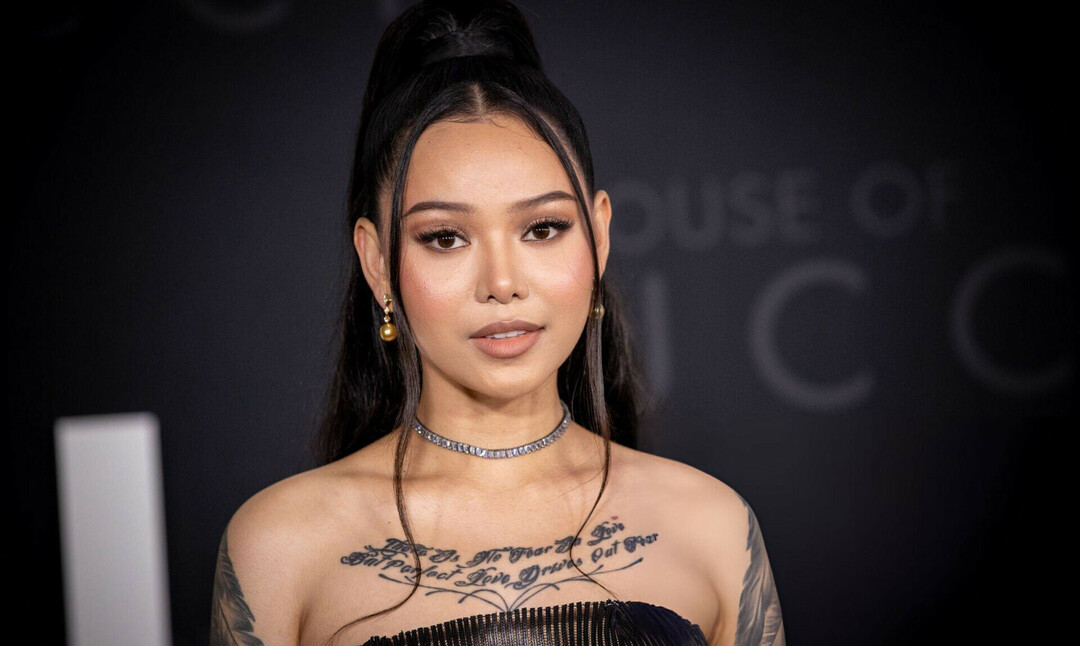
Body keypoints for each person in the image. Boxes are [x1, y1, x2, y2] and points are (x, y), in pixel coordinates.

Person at [210, 1, 786, 645]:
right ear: (376, 262)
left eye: (543, 228)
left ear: (598, 236)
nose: (502, 283)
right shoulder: (281, 545)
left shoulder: (713, 528)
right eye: (445, 237)